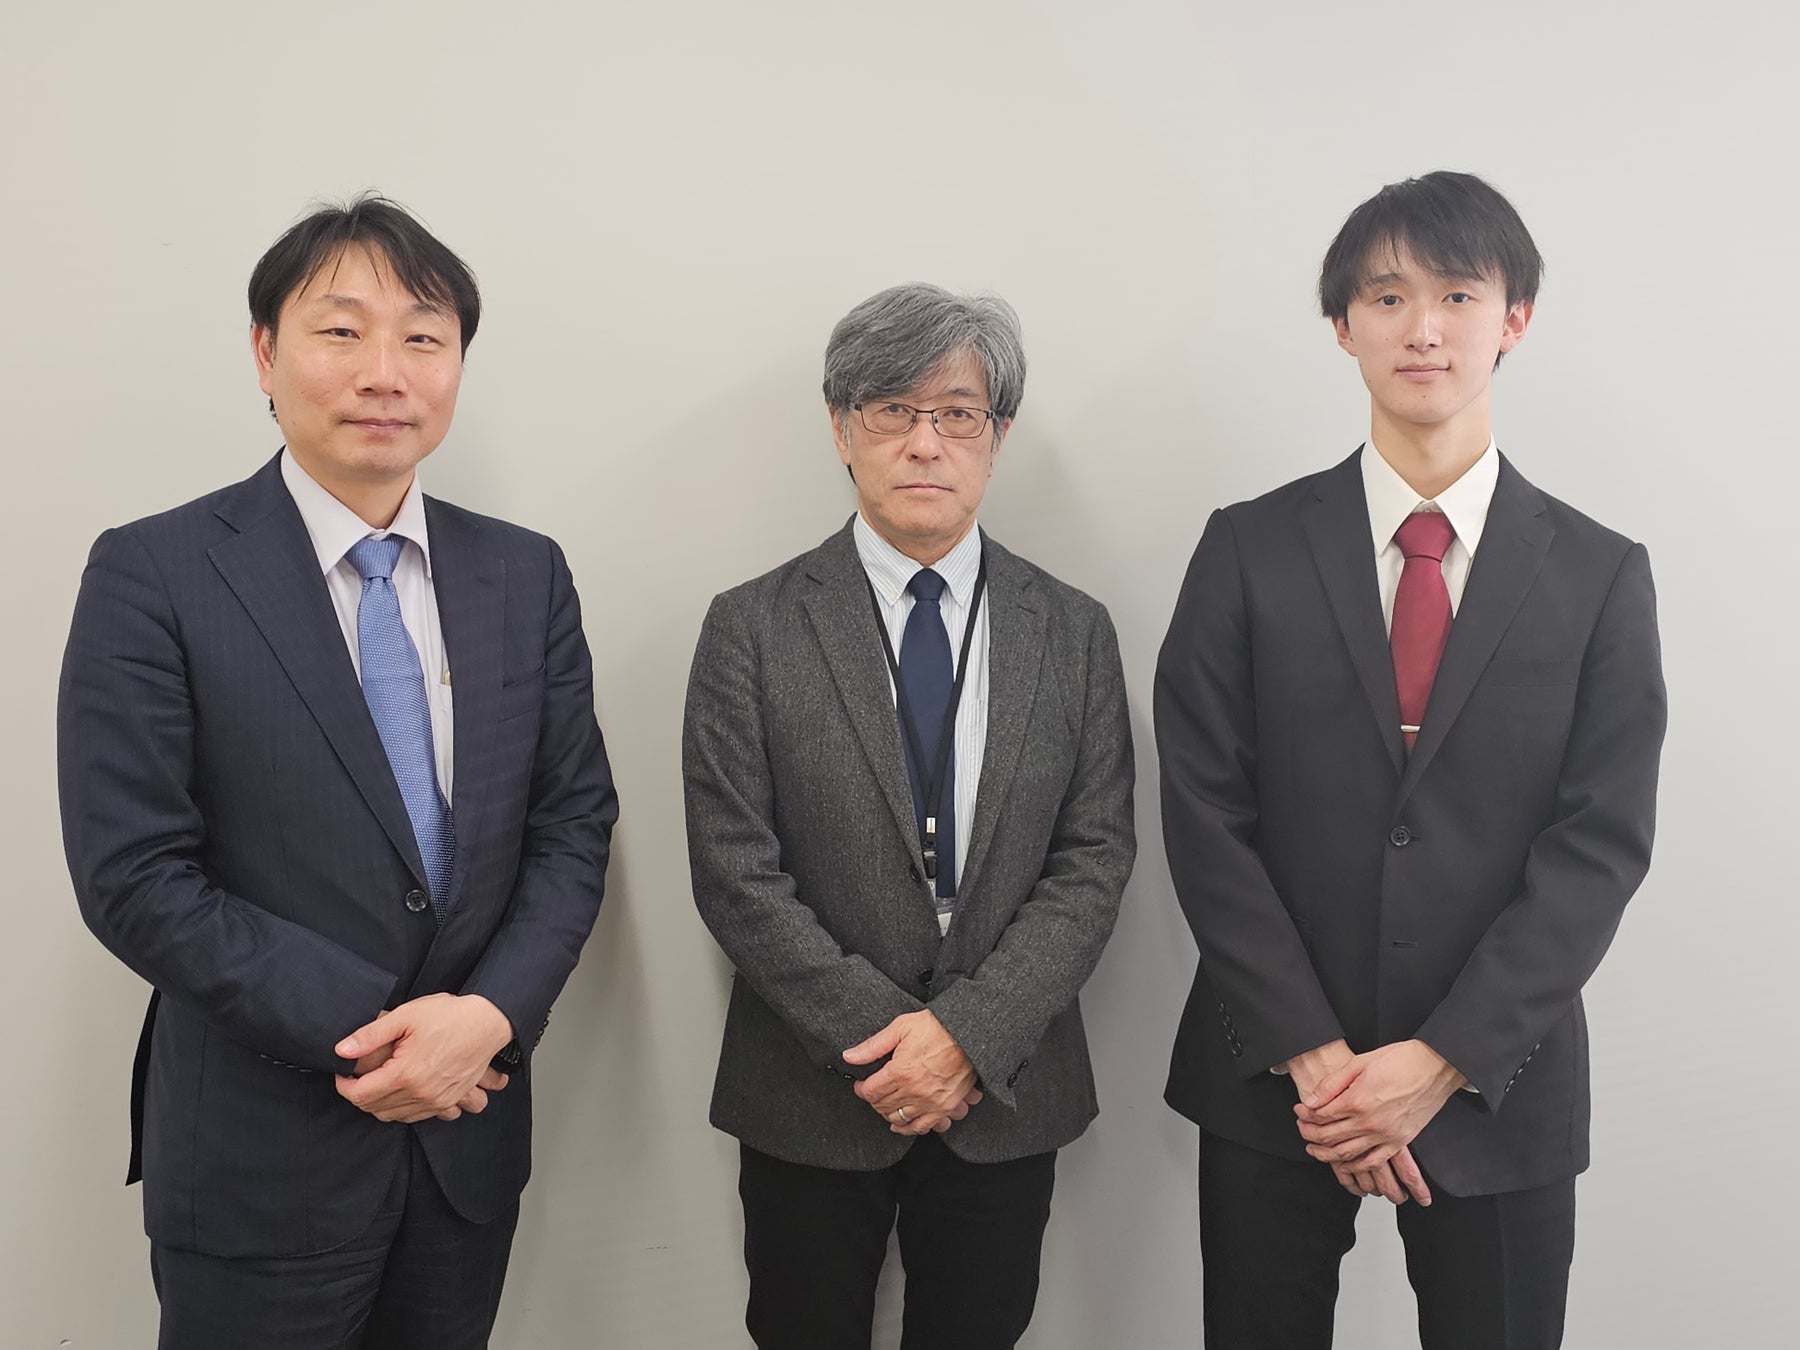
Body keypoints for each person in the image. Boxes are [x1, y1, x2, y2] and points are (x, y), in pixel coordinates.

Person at [57, 194, 618, 1349]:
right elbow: (134, 874)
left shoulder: (525, 575)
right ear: (266, 354)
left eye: (423, 337)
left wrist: (489, 1017)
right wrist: (395, 1037)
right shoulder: (154, 572)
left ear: (457, 366)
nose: (385, 372)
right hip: (260, 1159)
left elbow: (571, 827)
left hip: (465, 1147)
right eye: (341, 331)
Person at [1156, 171, 1666, 1348]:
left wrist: (1440, 1061)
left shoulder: (1599, 575)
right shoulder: (1247, 549)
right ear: (1343, 326)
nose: (1423, 328)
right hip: (1276, 1080)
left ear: (1515, 317)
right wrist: (1318, 1061)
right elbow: (1203, 812)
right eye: (1387, 298)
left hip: (1499, 1078)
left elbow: (1599, 846)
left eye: (1457, 294)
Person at [683, 283, 1136, 1350]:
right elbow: (734, 869)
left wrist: (967, 1038)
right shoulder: (751, 626)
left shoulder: (1074, 632)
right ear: (842, 429)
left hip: (1005, 1087)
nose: (925, 441)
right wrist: (886, 1043)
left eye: (958, 413)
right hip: (809, 1091)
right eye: (892, 409)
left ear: (997, 436)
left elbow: (1095, 859)